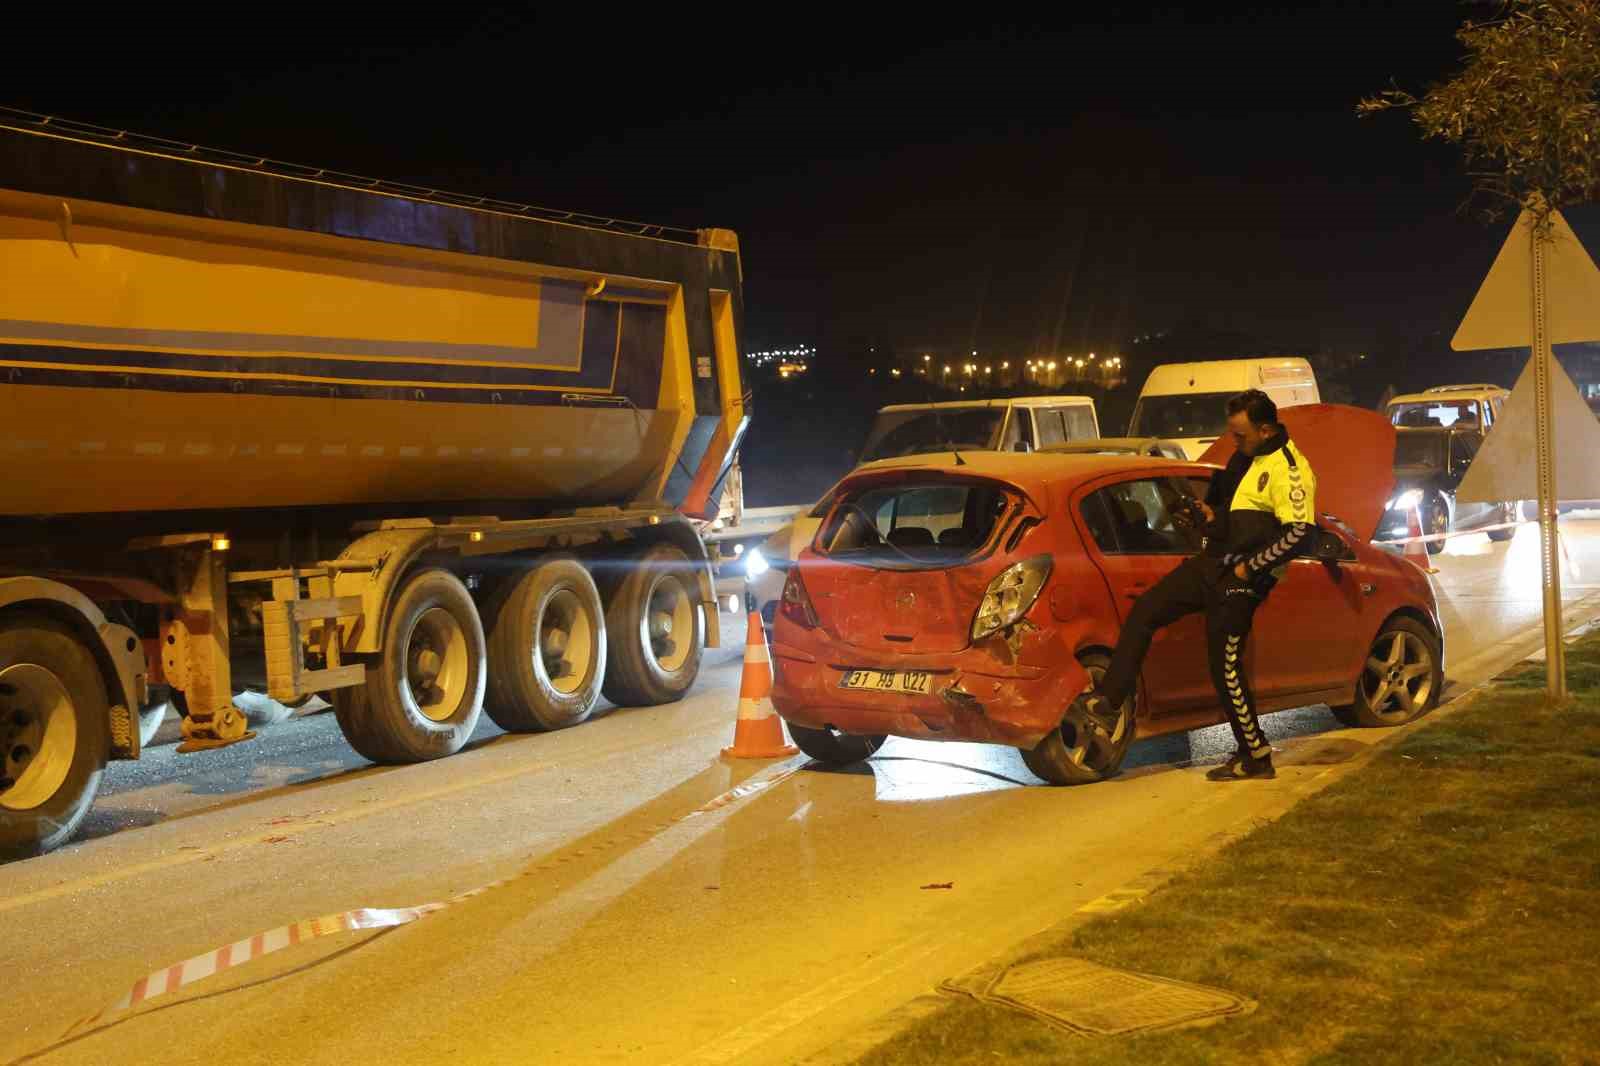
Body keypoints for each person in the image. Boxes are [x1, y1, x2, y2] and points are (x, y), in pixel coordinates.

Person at [1074, 389, 1318, 781]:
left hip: (1243, 578)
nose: (1235, 443)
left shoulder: (1291, 469)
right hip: (1212, 564)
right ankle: (1110, 700)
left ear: (1266, 428)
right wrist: (1207, 517)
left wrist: (1248, 570)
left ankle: (1256, 757)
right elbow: (1234, 520)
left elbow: (1301, 535)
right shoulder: (1246, 458)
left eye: (1241, 435)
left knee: (1226, 669)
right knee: (1146, 610)